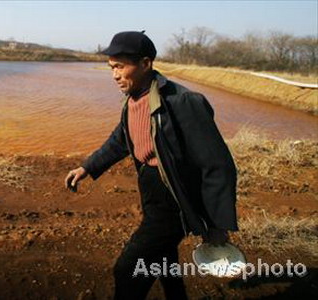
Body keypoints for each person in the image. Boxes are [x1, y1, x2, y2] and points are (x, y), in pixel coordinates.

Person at [64, 31, 239, 300]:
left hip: (174, 196)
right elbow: (122, 139)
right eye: (112, 68)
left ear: (146, 63)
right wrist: (87, 167)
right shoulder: (134, 99)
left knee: (129, 269)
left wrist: (217, 224)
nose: (115, 75)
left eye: (121, 67)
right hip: (150, 187)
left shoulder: (182, 102)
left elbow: (217, 165)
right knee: (164, 257)